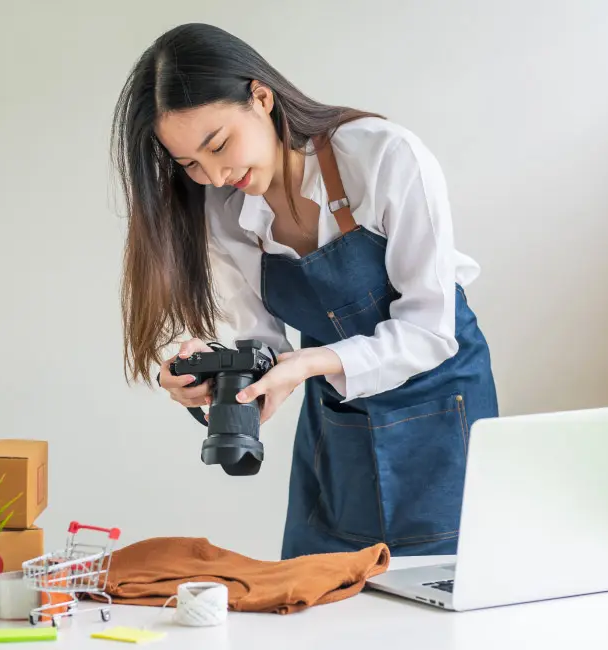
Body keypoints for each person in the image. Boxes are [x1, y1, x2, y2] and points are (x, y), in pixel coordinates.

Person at [111, 23, 499, 560]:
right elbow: (264, 343)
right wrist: (222, 372)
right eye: (190, 165)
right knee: (317, 594)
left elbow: (430, 330)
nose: (216, 174)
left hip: (441, 405)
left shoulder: (383, 157)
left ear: (261, 97)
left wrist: (310, 363)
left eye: (219, 144)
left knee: (444, 594)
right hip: (337, 421)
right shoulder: (225, 212)